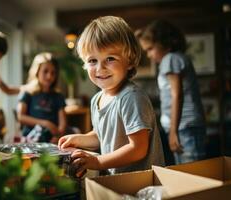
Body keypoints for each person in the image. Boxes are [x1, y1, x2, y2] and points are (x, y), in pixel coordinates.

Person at [58, 16, 165, 176]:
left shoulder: (131, 97)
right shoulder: (97, 100)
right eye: (92, 60)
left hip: (143, 183)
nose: (100, 68)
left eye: (110, 58)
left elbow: (138, 148)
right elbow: (101, 136)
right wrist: (79, 139)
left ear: (129, 61)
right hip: (118, 182)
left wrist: (98, 162)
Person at [137, 20, 206, 164]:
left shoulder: (170, 59)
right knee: (187, 173)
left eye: (150, 49)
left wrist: (173, 131)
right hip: (184, 127)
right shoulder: (176, 58)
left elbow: (177, 95)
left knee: (191, 175)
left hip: (184, 127)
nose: (149, 55)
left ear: (164, 43)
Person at [17, 52, 67, 143]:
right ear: (37, 72)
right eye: (45, 71)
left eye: (53, 73)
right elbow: (20, 117)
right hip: (30, 138)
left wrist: (58, 136)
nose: (49, 76)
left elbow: (62, 124)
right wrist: (46, 123)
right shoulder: (27, 92)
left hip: (51, 139)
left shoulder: (58, 96)